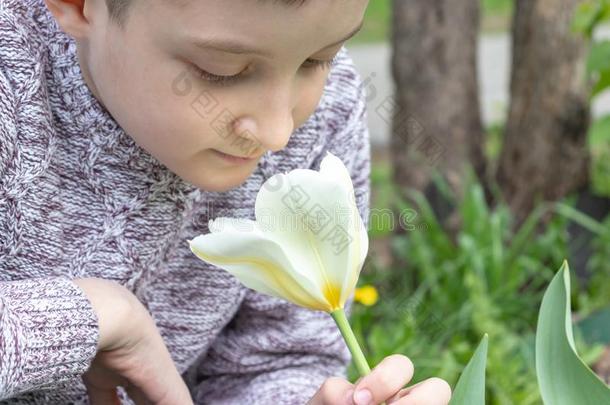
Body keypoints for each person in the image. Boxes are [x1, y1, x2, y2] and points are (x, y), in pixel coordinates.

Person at [0, 0, 452, 403]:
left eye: (318, 60)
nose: (278, 133)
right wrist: (94, 316)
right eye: (222, 71)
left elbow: (272, 361)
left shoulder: (325, 114)